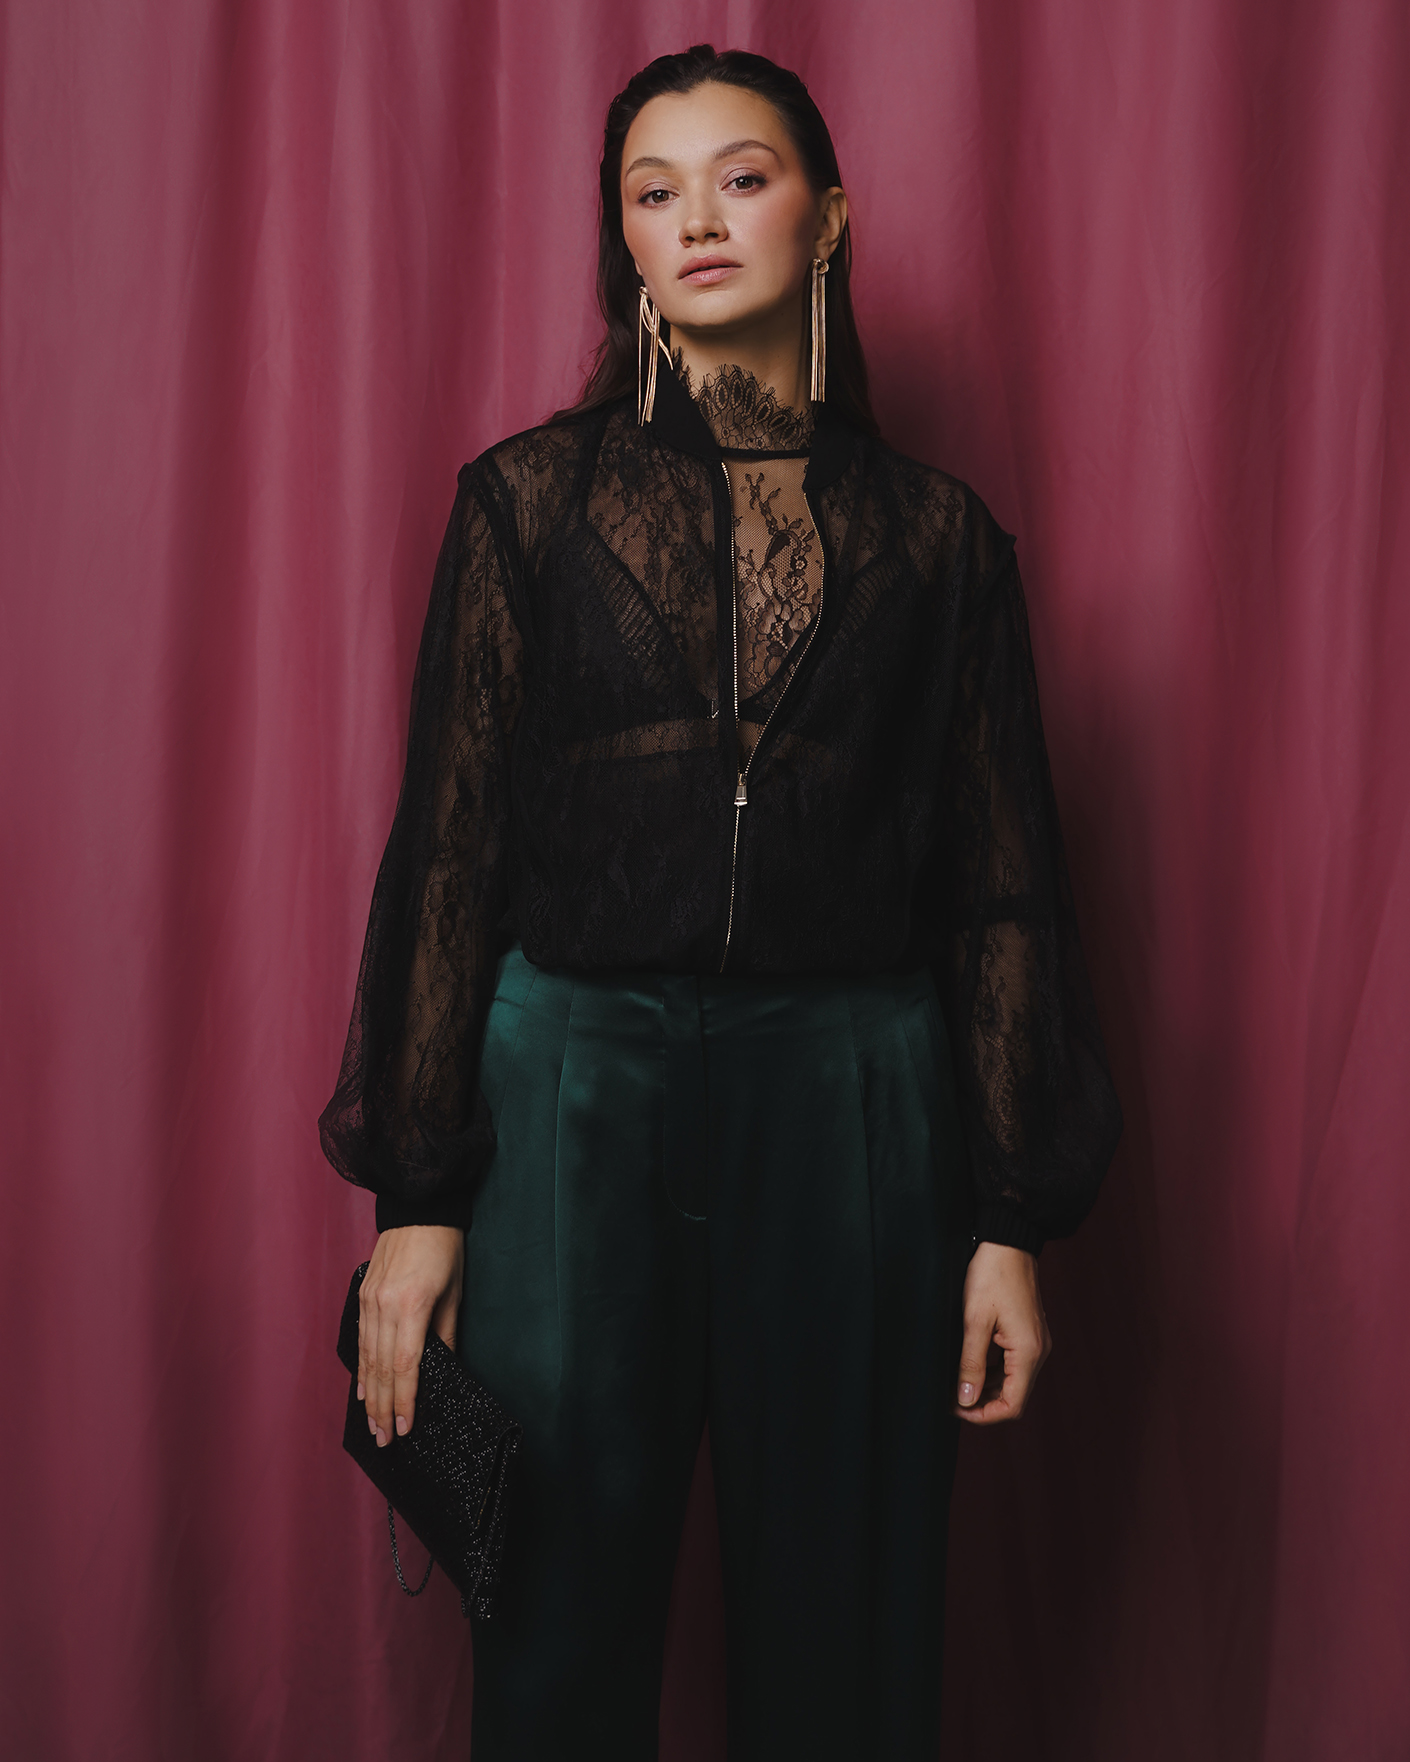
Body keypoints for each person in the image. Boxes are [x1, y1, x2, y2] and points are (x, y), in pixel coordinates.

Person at [320, 43, 1122, 1762]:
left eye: (740, 179)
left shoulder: (942, 540)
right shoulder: (524, 505)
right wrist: (417, 1195)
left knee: (849, 1628)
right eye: (651, 190)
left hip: (852, 1099)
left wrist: (1009, 1217)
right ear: (620, 236)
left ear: (826, 218)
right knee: (551, 1624)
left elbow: (999, 891)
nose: (693, 218)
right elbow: (450, 850)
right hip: (567, 1092)